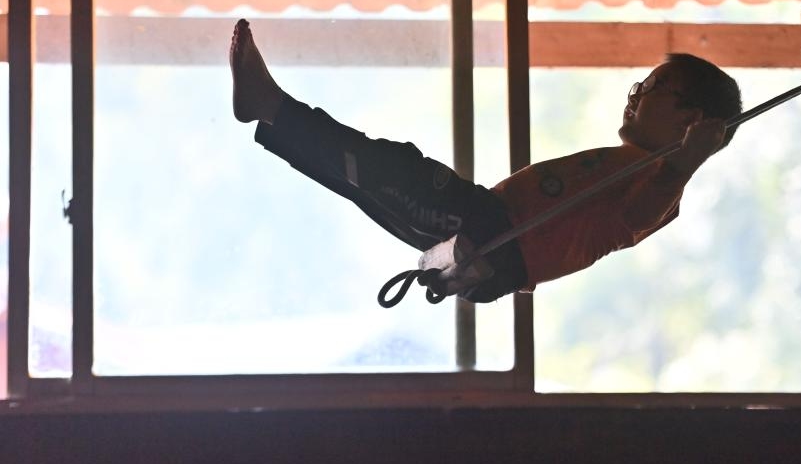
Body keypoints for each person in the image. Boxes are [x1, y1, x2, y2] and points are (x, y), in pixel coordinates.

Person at [229, 19, 742, 303]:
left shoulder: (658, 182)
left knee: (387, 168)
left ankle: (272, 107)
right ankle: (271, 113)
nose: (636, 95)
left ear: (687, 120)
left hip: (497, 236)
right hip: (486, 224)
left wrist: (686, 161)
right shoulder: (628, 161)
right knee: (369, 177)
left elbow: (637, 217)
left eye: (652, 88)